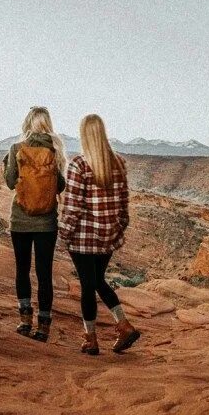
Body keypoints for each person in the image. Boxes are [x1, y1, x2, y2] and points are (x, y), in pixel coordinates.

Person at [58, 113, 140, 356]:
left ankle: (91, 339)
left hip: (83, 238)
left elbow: (73, 207)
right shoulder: (119, 163)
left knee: (87, 285)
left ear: (84, 135)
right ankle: (123, 325)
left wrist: (64, 233)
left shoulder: (78, 165)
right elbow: (124, 205)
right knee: (97, 281)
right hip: (107, 238)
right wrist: (117, 229)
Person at [2, 107, 67, 342]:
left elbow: (10, 183)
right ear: (47, 124)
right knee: (44, 273)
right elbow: (59, 186)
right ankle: (44, 327)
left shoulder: (17, 149)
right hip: (46, 223)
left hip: (20, 220)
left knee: (22, 270)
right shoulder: (55, 150)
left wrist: (9, 163)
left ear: (27, 123)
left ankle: (24, 320)